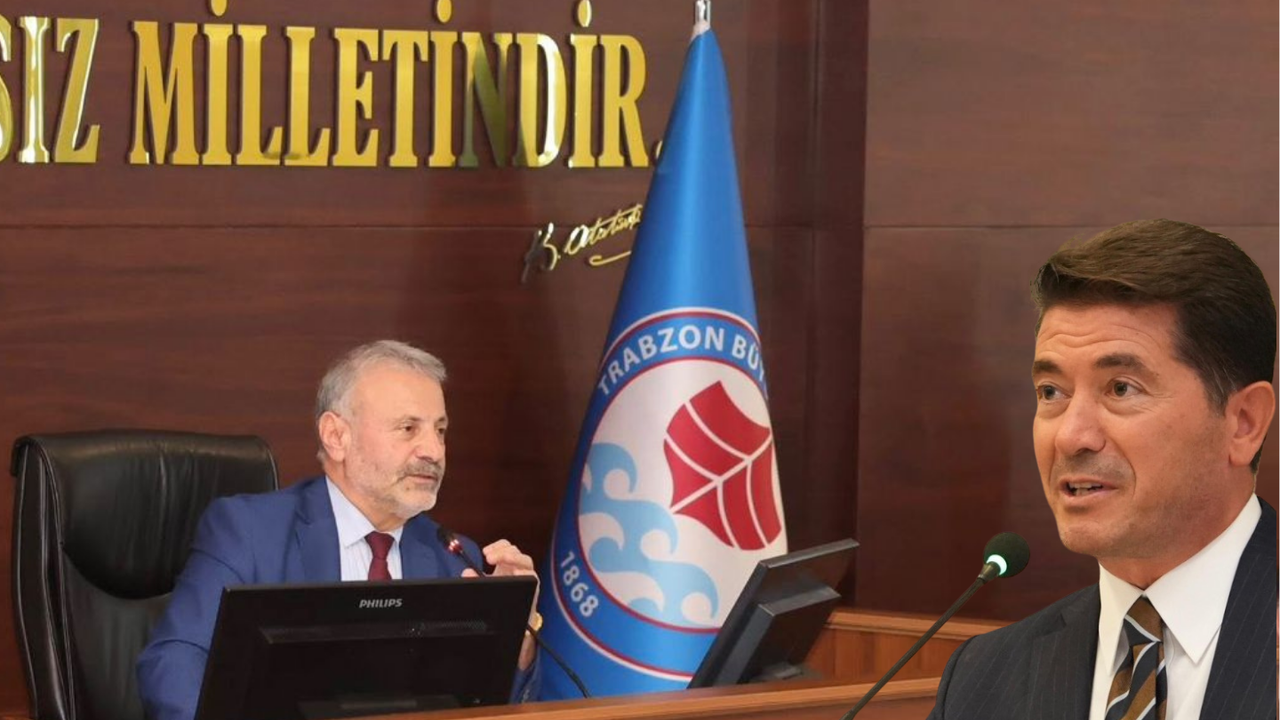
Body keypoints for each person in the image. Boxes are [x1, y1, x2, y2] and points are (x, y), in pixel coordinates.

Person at [928, 220, 1277, 719]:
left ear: (1243, 423)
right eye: (1052, 392)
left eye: (1121, 388)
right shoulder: (982, 678)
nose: (1071, 437)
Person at [137, 340, 541, 720]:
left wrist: (516, 634)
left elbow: (486, 706)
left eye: (440, 430)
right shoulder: (249, 533)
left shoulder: (455, 559)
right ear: (336, 436)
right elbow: (172, 665)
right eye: (408, 428)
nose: (433, 451)